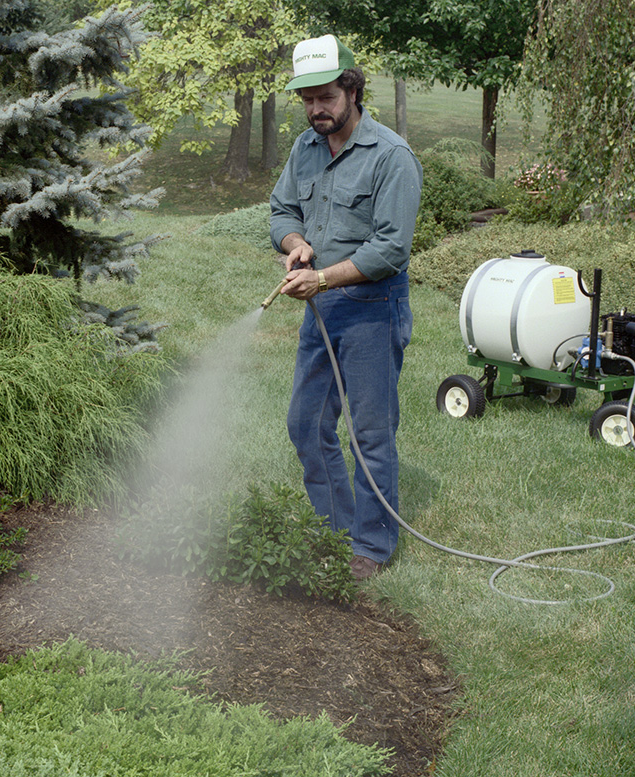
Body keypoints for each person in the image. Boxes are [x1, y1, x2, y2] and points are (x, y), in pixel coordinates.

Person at [269, 34, 422, 581]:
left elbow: (389, 249)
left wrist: (323, 276)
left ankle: (372, 549)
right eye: (307, 99)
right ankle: (336, 529)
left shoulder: (391, 157)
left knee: (371, 433)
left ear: (352, 91)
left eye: (326, 97)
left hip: (372, 307)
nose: (316, 110)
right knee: (305, 424)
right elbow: (282, 209)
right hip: (322, 309)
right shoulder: (305, 149)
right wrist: (296, 245)